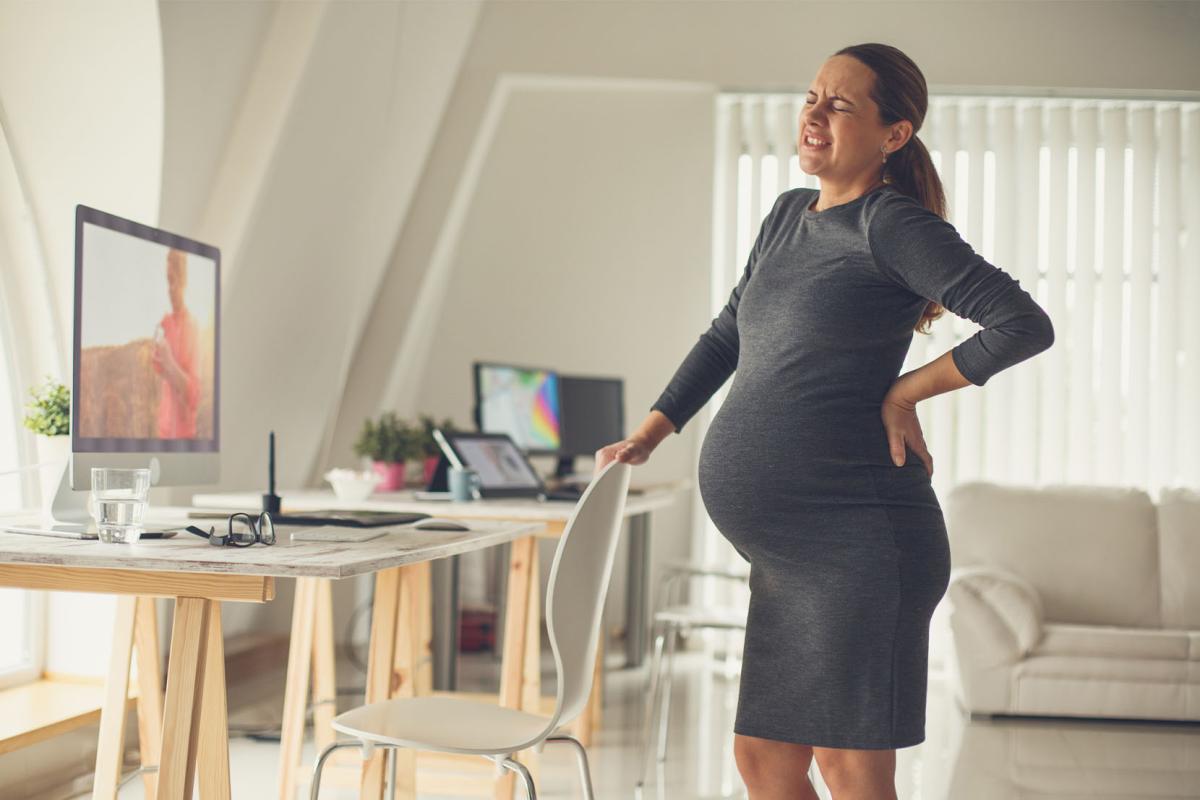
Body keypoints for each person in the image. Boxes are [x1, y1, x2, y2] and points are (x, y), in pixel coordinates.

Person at [595, 43, 1054, 800]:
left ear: (894, 134)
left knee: (850, 766)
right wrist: (653, 429)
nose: (814, 113)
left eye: (839, 104)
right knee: (764, 761)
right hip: (789, 563)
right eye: (811, 96)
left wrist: (906, 392)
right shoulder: (786, 215)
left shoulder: (892, 225)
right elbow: (727, 334)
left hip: (861, 547)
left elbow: (1021, 323)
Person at [151, 247, 200, 438]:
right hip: (163, 431)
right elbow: (158, 368)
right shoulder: (166, 323)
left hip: (184, 438)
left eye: (175, 281)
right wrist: (158, 358)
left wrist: (170, 363)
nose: (170, 289)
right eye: (168, 281)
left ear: (185, 282)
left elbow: (194, 396)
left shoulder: (193, 326)